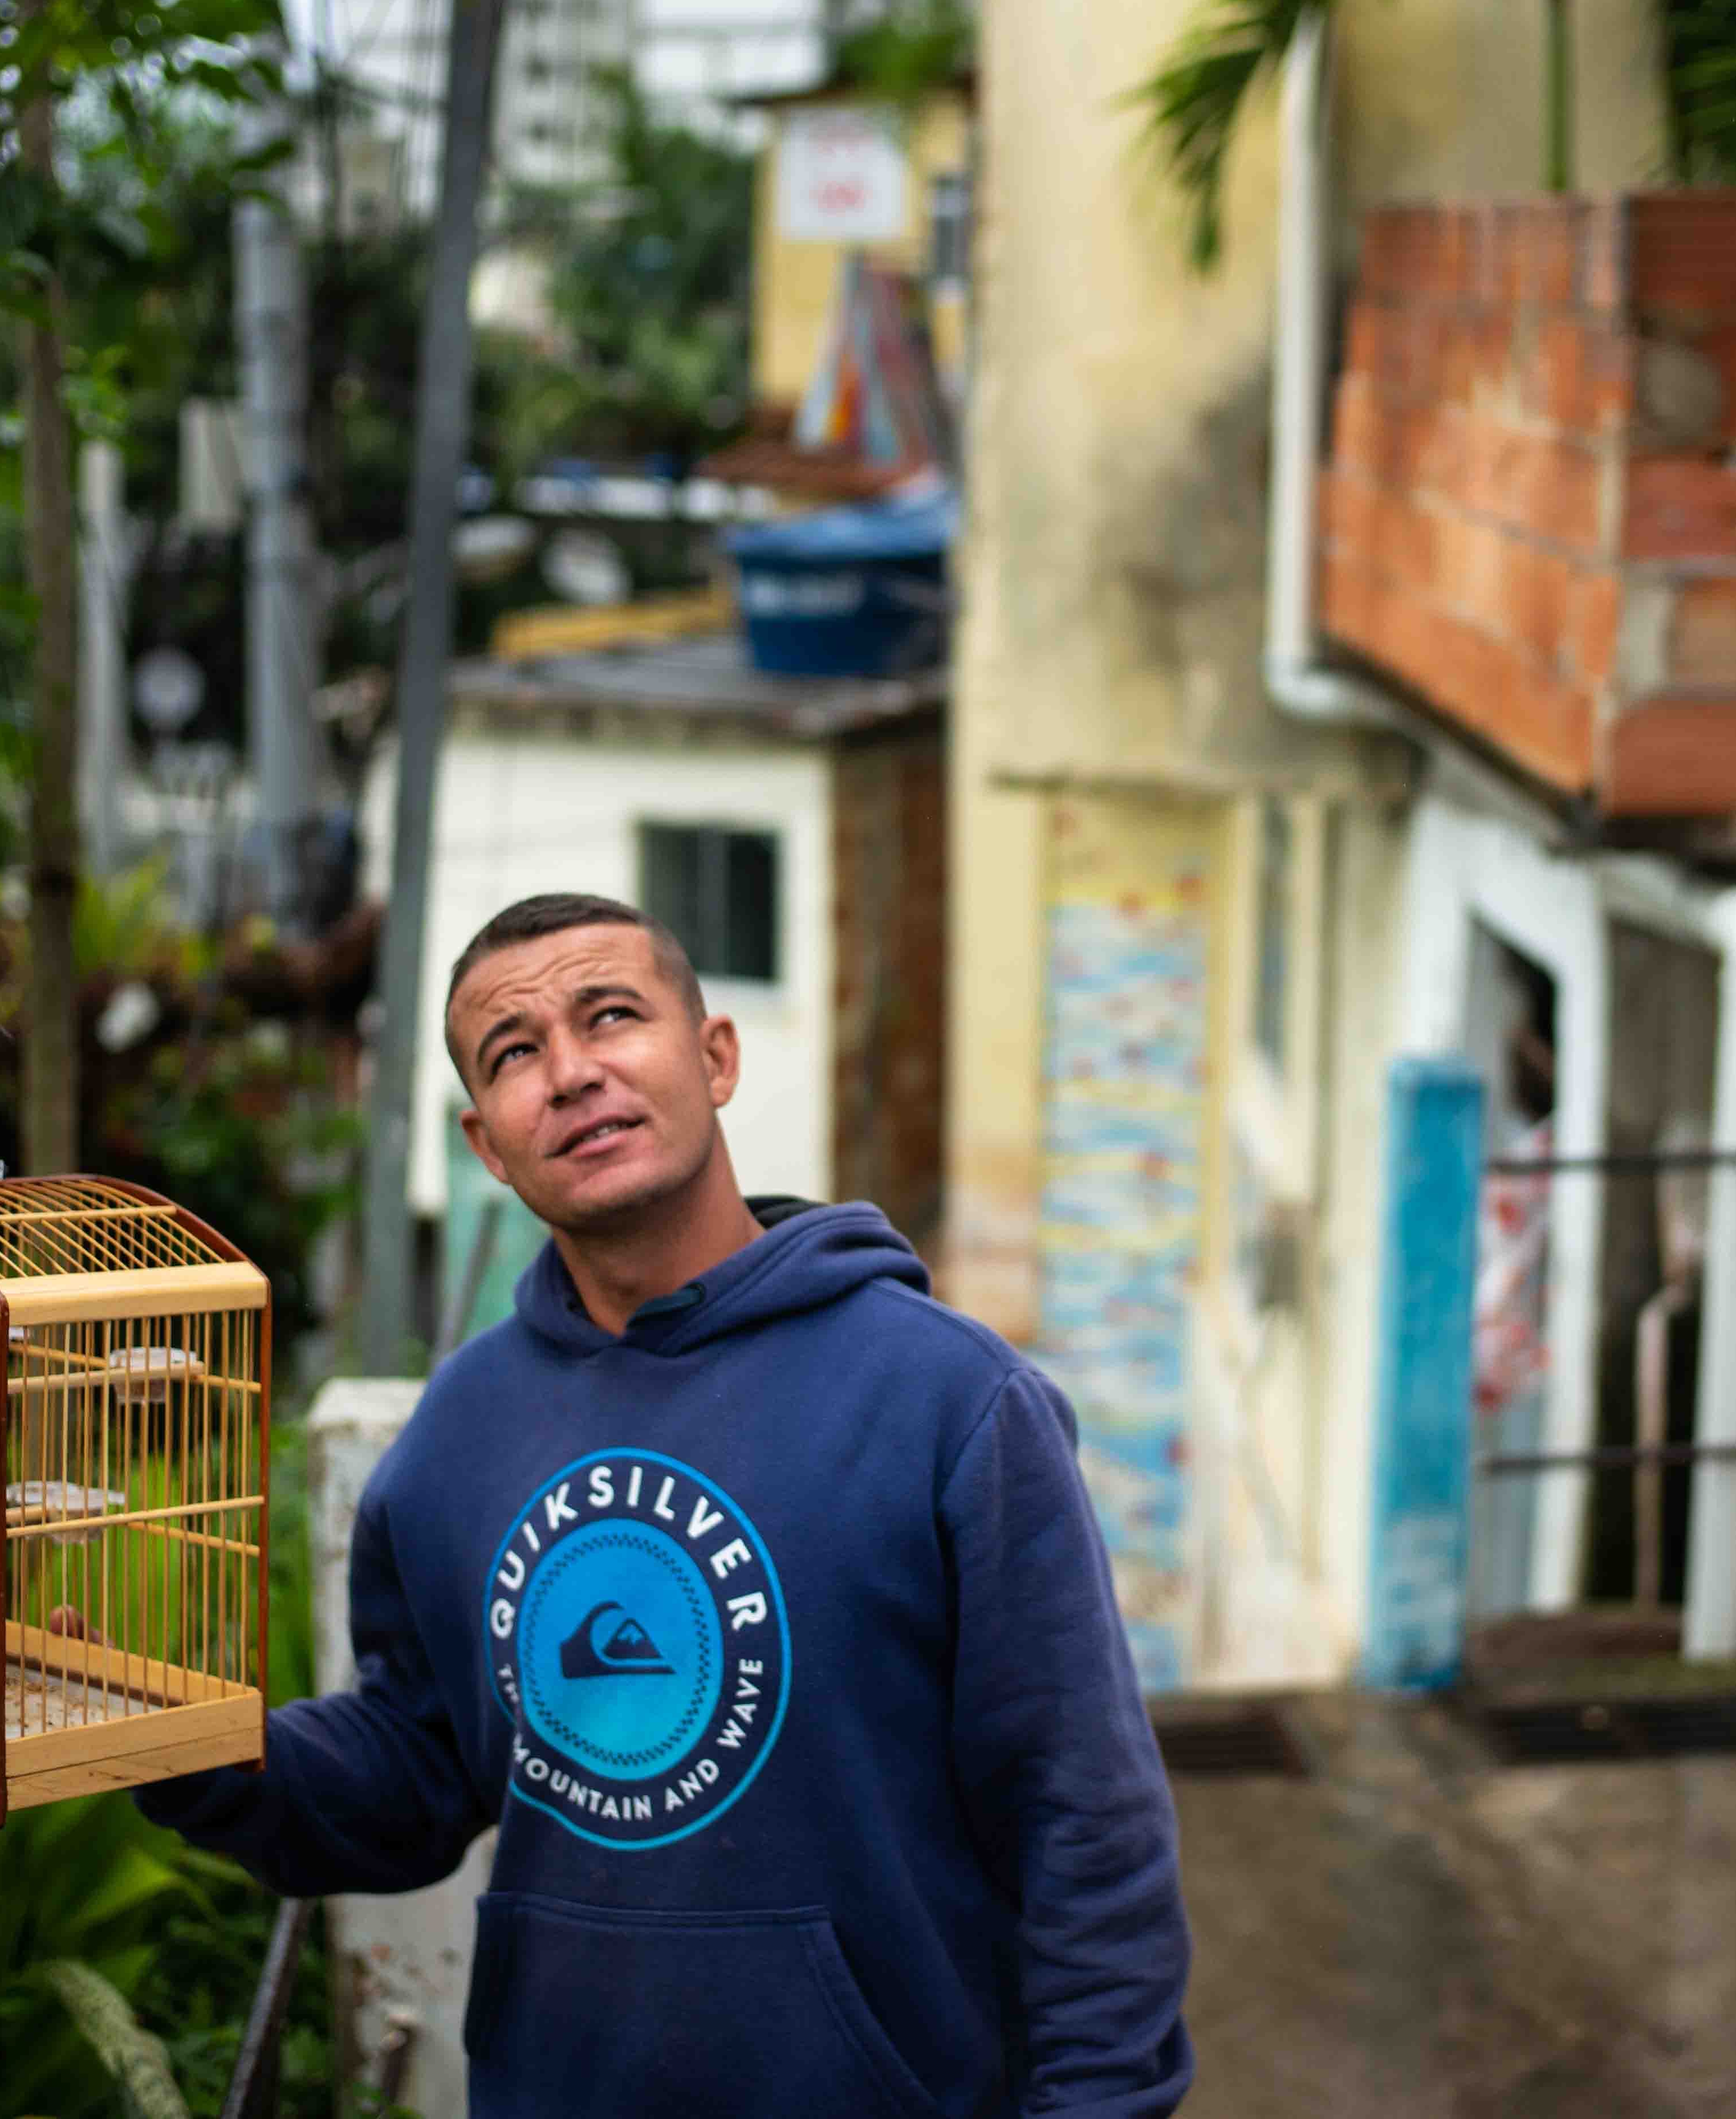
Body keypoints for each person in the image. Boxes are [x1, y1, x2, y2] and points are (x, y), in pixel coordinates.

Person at [141, 891, 1195, 2119]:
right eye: (516, 1052)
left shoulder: (951, 1402)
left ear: (717, 1056)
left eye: (612, 1017)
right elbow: (416, 1769)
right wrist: (172, 1742)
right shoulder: (460, 1434)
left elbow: (1086, 1828)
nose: (573, 1072)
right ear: (488, 1144)